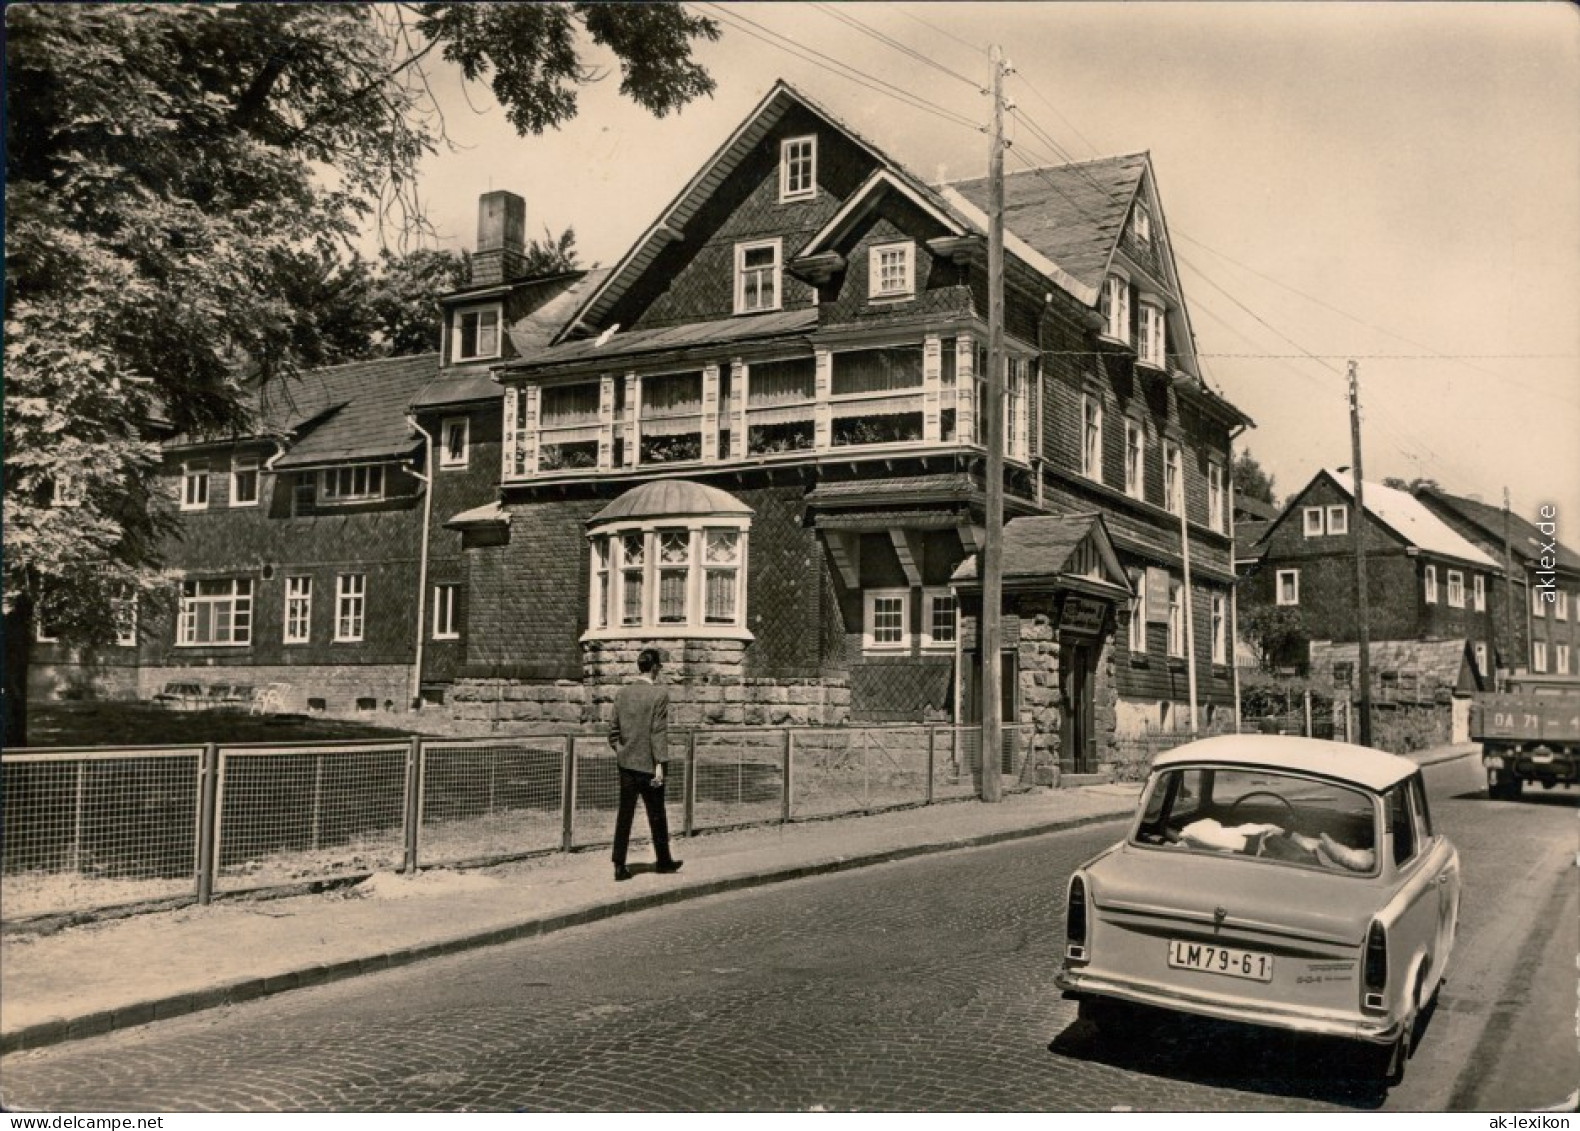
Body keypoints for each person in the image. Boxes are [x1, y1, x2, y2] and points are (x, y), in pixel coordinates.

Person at [608, 647, 682, 882]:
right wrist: (659, 764)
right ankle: (663, 860)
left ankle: (619, 865)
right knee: (657, 814)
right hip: (649, 766)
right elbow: (657, 733)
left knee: (625, 815)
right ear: (655, 668)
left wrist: (622, 751)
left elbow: (612, 732)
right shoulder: (659, 695)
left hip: (626, 765)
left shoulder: (622, 693)